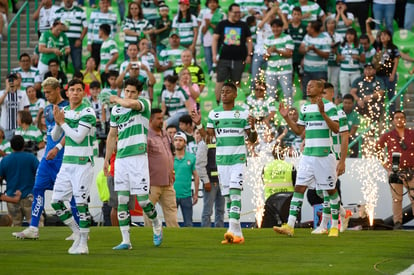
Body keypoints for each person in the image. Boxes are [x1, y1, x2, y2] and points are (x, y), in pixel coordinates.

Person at [12, 77, 79, 240]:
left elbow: (70, 134)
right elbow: (51, 132)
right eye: (45, 92)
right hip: (48, 160)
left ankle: (79, 230)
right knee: (37, 189)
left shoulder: (68, 109)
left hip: (63, 158)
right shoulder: (48, 108)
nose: (46, 95)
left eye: (49, 92)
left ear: (58, 90)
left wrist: (57, 148)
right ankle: (33, 227)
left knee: (71, 196)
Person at [274, 80, 341, 237]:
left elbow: (336, 129)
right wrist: (286, 118)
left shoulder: (330, 107)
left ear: (320, 89)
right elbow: (299, 131)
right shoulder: (304, 108)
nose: (308, 87)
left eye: (312, 85)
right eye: (307, 85)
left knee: (330, 190)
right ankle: (290, 226)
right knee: (299, 188)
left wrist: (323, 113)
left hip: (325, 155)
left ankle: (335, 226)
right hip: (308, 156)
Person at [192, 81, 257, 244]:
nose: (224, 93)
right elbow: (208, 139)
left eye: (228, 91)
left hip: (238, 159)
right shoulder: (214, 114)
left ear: (235, 95)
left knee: (235, 193)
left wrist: (253, 127)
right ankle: (238, 234)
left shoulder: (243, 113)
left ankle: (230, 229)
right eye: (222, 91)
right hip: (222, 161)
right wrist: (199, 123)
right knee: (228, 197)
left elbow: (252, 139)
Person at [104, 78, 163, 249]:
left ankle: (157, 225)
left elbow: (130, 104)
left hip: (138, 158)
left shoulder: (143, 104)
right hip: (121, 159)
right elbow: (112, 136)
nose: (129, 94)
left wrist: (116, 98)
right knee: (122, 200)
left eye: (133, 92)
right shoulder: (116, 110)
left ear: (139, 93)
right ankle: (126, 241)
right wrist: (107, 159)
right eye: (127, 91)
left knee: (143, 201)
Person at [50, 79, 96, 255]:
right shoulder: (65, 111)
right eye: (72, 90)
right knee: (56, 202)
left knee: (81, 203)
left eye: (79, 90)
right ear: (67, 93)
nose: (75, 93)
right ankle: (77, 233)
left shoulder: (88, 112)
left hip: (83, 163)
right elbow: (55, 137)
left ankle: (84, 244)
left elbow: (78, 137)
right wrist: (57, 121)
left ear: (83, 93)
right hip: (67, 163)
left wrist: (62, 122)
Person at [311, 82, 351, 235]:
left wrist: (342, 160)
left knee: (327, 190)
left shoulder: (338, 112)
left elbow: (345, 136)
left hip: (332, 156)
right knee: (321, 191)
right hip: (319, 156)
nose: (320, 97)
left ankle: (324, 225)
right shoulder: (318, 111)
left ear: (331, 94)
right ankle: (343, 212)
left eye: (323, 94)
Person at [376, 111, 414, 229]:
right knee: (397, 199)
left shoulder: (411, 133)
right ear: (393, 120)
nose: (399, 119)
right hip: (395, 171)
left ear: (405, 120)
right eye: (396, 117)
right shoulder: (388, 135)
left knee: (413, 196)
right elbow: (377, 149)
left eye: (402, 117)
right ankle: (398, 222)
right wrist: (386, 166)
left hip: (411, 170)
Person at [212, 3, 253, 103]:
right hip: (224, 58)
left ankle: (236, 103)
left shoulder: (243, 25)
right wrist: (214, 55)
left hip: (239, 59)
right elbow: (215, 39)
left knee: (237, 82)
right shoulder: (222, 24)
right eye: (235, 12)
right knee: (220, 81)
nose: (237, 14)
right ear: (229, 12)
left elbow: (249, 40)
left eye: (239, 12)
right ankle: (216, 104)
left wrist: (249, 54)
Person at [146, 108, 179, 228]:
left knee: (171, 210)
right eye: (158, 119)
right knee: (149, 211)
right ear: (150, 120)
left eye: (162, 118)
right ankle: (149, 235)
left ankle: (175, 238)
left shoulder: (165, 134)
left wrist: (172, 171)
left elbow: (169, 155)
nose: (161, 121)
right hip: (152, 183)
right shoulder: (146, 136)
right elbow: (142, 160)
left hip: (168, 182)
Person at [0, 135, 38, 226]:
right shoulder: (31, 158)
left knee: (14, 224)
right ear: (23, 145)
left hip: (12, 197)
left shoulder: (5, 160)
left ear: (11, 146)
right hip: (29, 196)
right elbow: (40, 172)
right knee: (35, 223)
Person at [196, 132, 225, 227]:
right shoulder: (204, 143)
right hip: (210, 182)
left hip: (222, 181)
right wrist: (206, 181)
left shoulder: (223, 140)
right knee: (208, 211)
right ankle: (205, 231)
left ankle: (220, 231)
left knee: (220, 210)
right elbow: (200, 164)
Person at [264, 18, 294, 104]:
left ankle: (290, 114)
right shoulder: (268, 39)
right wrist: (269, 52)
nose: (275, 29)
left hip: (285, 70)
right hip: (271, 71)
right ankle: (271, 114)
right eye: (273, 27)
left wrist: (276, 50)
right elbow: (265, 57)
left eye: (278, 27)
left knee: (287, 93)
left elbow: (289, 54)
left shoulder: (287, 37)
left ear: (282, 28)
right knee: (270, 94)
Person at [53, 0, 88, 73]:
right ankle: (62, 82)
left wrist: (80, 39)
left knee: (77, 65)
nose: (68, 1)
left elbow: (85, 27)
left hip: (76, 42)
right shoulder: (58, 12)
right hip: (62, 43)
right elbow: (54, 27)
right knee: (62, 65)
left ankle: (79, 82)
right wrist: (61, 28)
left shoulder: (80, 11)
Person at [299, 20, 331, 99]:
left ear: (313, 29)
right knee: (306, 93)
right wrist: (307, 49)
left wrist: (315, 50)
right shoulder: (307, 37)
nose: (307, 29)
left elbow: (326, 55)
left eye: (308, 27)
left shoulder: (325, 38)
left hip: (320, 71)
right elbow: (300, 50)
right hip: (307, 71)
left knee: (321, 94)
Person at [173, 131, 199, 227]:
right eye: (175, 140)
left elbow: (196, 176)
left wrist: (196, 194)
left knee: (188, 224)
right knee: (171, 224)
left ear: (185, 143)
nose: (178, 142)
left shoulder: (191, 157)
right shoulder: (170, 157)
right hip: (171, 196)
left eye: (180, 140)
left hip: (186, 195)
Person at [373, 29, 400, 115]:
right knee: (380, 96)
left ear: (389, 37)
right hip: (379, 75)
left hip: (389, 75)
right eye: (381, 35)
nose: (382, 37)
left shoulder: (394, 48)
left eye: (384, 35)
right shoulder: (378, 47)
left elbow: (396, 62)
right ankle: (380, 115)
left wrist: (392, 74)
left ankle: (392, 115)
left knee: (391, 95)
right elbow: (369, 35)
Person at [87, 0, 118, 68]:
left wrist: (111, 40)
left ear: (109, 4)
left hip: (108, 44)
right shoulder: (94, 13)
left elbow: (115, 29)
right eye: (103, 3)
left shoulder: (113, 14)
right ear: (99, 4)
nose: (105, 5)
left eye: (106, 2)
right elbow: (90, 29)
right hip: (96, 43)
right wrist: (89, 42)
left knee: (106, 64)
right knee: (95, 64)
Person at [199, 0, 227, 75]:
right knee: (209, 61)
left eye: (214, 2)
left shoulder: (222, 15)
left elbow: (222, 30)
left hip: (218, 42)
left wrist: (210, 23)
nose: (212, 4)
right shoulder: (206, 15)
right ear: (207, 4)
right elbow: (203, 31)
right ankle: (210, 77)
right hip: (207, 41)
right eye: (210, 2)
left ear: (217, 4)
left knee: (218, 61)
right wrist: (207, 24)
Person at [0, 73, 30, 140]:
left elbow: (26, 110)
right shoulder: (1, 93)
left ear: (17, 81)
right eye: (9, 79)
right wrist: (6, 91)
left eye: (13, 79)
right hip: (5, 126)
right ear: (6, 81)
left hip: (19, 127)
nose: (11, 81)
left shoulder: (23, 93)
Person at [336, 28, 364, 96]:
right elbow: (337, 59)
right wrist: (340, 58)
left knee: (356, 91)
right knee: (344, 91)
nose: (349, 36)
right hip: (344, 72)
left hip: (355, 72)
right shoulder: (341, 46)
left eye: (351, 34)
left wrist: (358, 57)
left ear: (355, 36)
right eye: (348, 34)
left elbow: (363, 59)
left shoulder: (359, 46)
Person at [99, 23, 119, 88]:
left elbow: (116, 55)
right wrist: (100, 66)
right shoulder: (104, 43)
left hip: (110, 71)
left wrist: (107, 66)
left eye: (99, 31)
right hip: (104, 71)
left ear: (102, 31)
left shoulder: (111, 42)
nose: (98, 33)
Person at [342, 93, 360, 158]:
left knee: (355, 139)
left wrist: (345, 136)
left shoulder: (355, 115)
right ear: (342, 103)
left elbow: (353, 131)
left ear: (353, 104)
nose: (347, 105)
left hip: (348, 136)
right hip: (338, 135)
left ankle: (354, 159)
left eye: (349, 103)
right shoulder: (337, 112)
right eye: (345, 103)